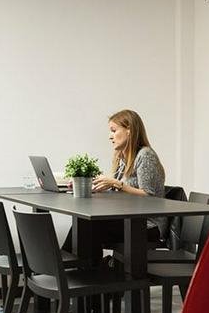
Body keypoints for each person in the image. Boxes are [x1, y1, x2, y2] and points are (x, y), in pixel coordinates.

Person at [64, 109, 166, 264]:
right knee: (83, 224)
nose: (110, 136)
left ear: (129, 131)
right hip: (128, 221)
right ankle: (76, 272)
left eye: (114, 130)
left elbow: (151, 198)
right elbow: (120, 191)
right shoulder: (122, 157)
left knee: (87, 227)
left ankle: (78, 274)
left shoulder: (145, 155)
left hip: (147, 226)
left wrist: (116, 184)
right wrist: (94, 185)